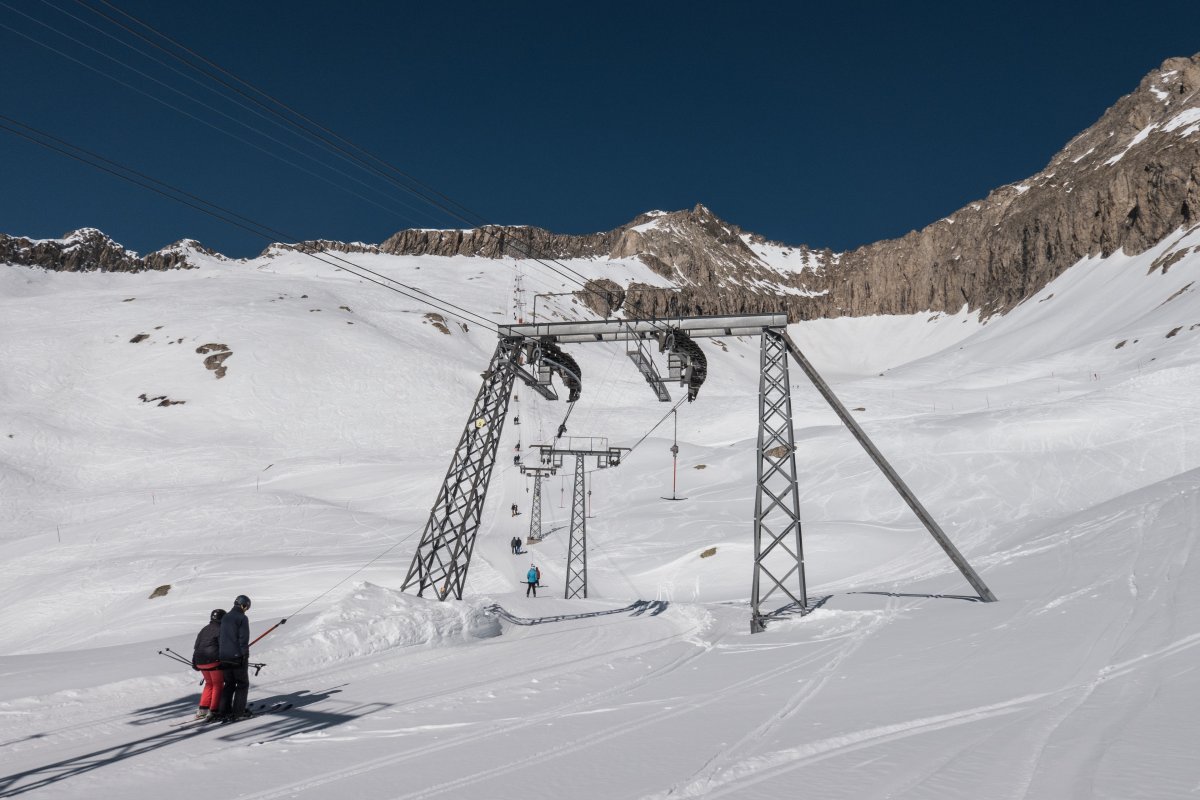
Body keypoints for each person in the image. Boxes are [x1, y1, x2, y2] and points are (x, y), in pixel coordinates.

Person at [216, 595, 252, 721]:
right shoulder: (242, 618)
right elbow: (243, 638)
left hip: (223, 656)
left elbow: (221, 637)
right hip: (237, 656)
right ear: (244, 605)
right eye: (247, 607)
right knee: (242, 684)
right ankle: (238, 712)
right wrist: (244, 654)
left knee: (229, 683)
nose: (246, 609)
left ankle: (223, 710)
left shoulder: (225, 617)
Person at [191, 608, 225, 720]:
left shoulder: (204, 629)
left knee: (209, 683)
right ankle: (214, 710)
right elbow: (223, 646)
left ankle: (203, 709)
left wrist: (194, 662)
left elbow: (196, 646)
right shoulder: (221, 629)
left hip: (200, 661)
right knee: (218, 684)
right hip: (213, 661)